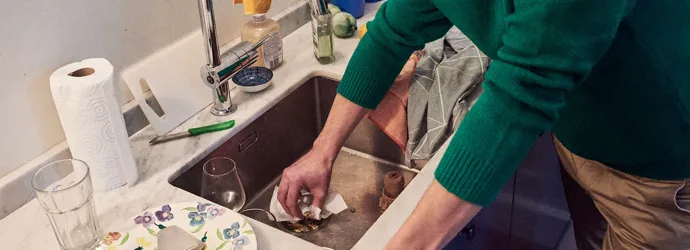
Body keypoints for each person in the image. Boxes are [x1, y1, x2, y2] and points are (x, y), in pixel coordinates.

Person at [278, 0, 690, 249]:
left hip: (656, 168)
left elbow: (519, 96)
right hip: (580, 137)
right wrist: (322, 150)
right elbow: (390, 35)